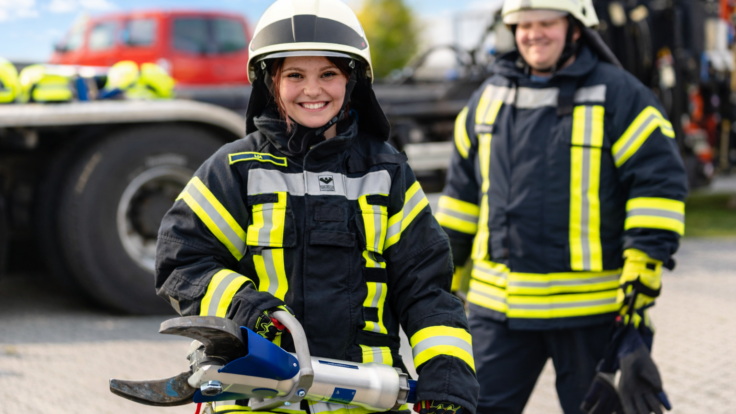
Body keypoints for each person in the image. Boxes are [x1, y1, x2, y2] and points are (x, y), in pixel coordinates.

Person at [155, 1, 479, 414]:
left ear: (352, 80)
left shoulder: (387, 172)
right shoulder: (235, 170)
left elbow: (426, 288)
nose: (312, 90)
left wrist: (447, 377)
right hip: (256, 397)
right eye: (295, 75)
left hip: (365, 399)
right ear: (270, 81)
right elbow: (181, 261)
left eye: (328, 74)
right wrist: (243, 305)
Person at [436, 0, 687, 413]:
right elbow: (460, 200)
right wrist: (442, 277)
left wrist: (644, 263)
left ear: (574, 28)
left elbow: (658, 185)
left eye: (546, 22)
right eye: (523, 24)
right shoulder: (486, 99)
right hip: (497, 313)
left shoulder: (620, 94)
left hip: (592, 311)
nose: (534, 33)